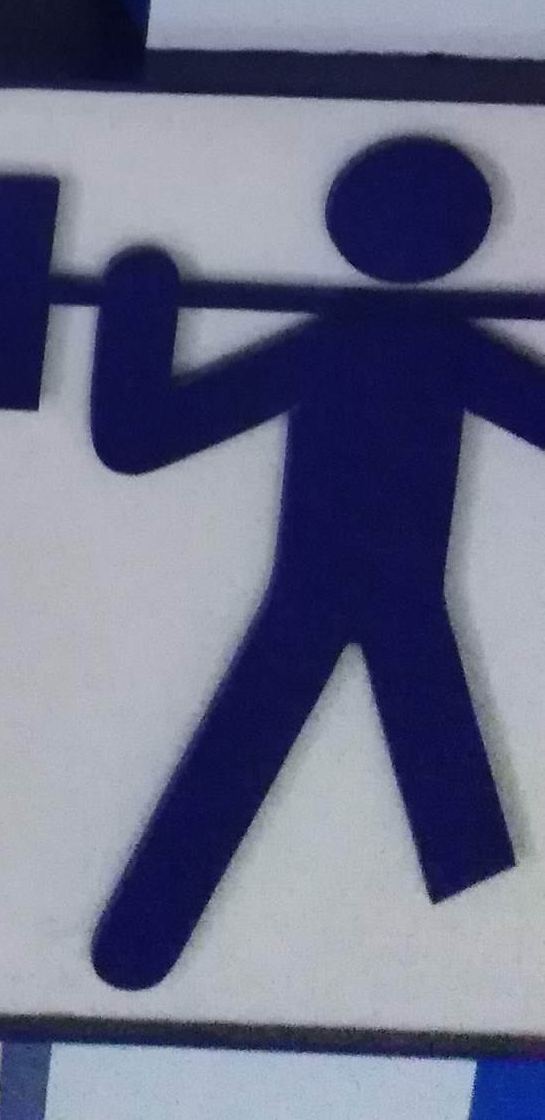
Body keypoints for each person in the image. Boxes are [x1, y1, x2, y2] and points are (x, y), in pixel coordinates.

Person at [87, 135, 545, 989]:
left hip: (353, 597)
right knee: (436, 808)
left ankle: (475, 946)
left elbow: (140, 433)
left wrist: (136, 307)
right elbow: (142, 435)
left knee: (283, 753)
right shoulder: (431, 350)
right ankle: (475, 942)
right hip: (360, 597)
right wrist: (137, 304)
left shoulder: (348, 346)